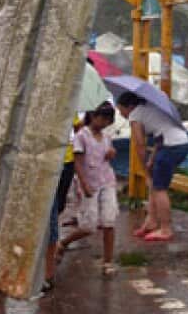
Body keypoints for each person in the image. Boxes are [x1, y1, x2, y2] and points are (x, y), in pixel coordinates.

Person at [116, 91, 188, 241]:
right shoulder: (152, 107)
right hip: (181, 144)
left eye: (120, 109)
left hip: (170, 147)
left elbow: (140, 144)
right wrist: (152, 160)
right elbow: (159, 136)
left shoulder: (135, 115)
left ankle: (165, 229)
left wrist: (145, 168)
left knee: (159, 188)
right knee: (155, 186)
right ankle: (151, 222)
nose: (120, 113)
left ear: (129, 106)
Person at [59, 104, 119, 273]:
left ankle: (108, 261)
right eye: (103, 119)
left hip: (107, 180)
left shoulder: (106, 137)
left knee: (109, 221)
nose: (104, 123)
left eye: (108, 120)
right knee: (89, 226)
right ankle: (64, 242)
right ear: (93, 116)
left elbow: (107, 153)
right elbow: (77, 162)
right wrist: (83, 184)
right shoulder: (81, 136)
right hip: (89, 182)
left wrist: (111, 153)